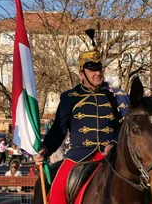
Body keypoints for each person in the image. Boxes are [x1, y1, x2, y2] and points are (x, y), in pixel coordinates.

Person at [34, 38, 130, 204]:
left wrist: (114, 142)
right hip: (79, 155)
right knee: (58, 188)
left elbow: (127, 127)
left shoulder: (117, 96)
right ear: (81, 74)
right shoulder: (70, 98)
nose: (98, 73)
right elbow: (59, 130)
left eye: (99, 68)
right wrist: (45, 148)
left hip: (112, 154)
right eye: (92, 69)